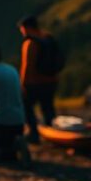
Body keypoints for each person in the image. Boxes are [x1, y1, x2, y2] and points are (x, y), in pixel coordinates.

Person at [18, 15, 60, 144]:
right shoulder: (48, 38)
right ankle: (55, 135)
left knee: (26, 106)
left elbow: (27, 65)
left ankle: (34, 134)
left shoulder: (30, 42)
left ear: (26, 28)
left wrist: (22, 83)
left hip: (35, 82)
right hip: (51, 80)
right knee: (48, 108)